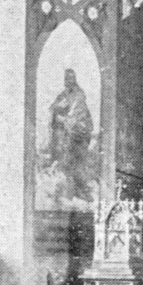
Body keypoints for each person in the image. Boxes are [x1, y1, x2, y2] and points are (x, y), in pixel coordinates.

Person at [49, 68, 93, 201]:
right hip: (67, 135)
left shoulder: (80, 95)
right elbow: (53, 109)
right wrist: (58, 111)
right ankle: (66, 192)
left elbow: (80, 116)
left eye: (71, 78)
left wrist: (66, 120)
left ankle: (81, 191)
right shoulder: (62, 95)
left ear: (74, 80)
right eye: (67, 78)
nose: (68, 81)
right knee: (65, 163)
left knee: (78, 164)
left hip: (79, 134)